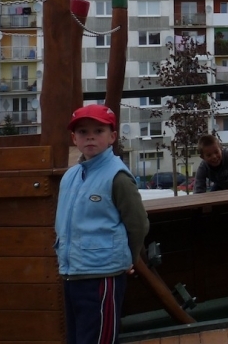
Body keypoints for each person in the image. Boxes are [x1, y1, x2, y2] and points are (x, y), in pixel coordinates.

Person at [55, 104, 149, 344]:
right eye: (83, 132)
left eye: (98, 131)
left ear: (112, 137)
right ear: (74, 138)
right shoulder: (70, 176)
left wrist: (130, 258)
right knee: (77, 338)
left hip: (102, 274)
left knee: (98, 339)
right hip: (72, 273)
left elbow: (137, 223)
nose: (90, 137)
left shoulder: (117, 176)